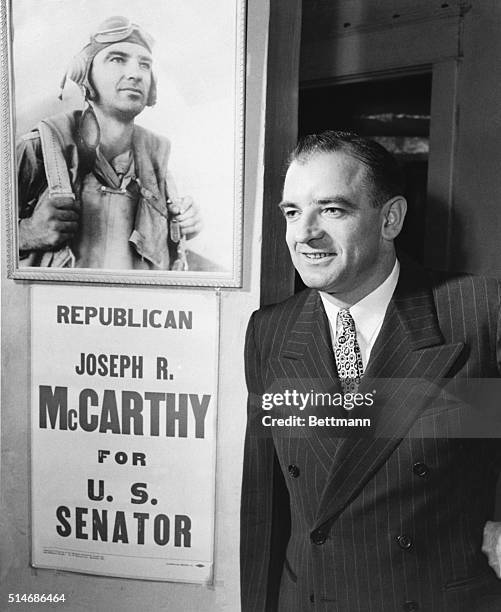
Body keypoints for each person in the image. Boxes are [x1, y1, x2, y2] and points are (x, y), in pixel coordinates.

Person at [240, 131, 501, 611]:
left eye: (332, 210)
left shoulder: (477, 312)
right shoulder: (270, 332)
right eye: (292, 212)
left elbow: (489, 430)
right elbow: (266, 504)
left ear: (390, 219)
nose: (304, 233)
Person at [17, 16, 203, 270]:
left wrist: (179, 229)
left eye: (144, 65)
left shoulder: (156, 165)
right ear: (85, 74)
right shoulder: (39, 150)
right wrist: (26, 233)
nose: (135, 74)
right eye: (117, 59)